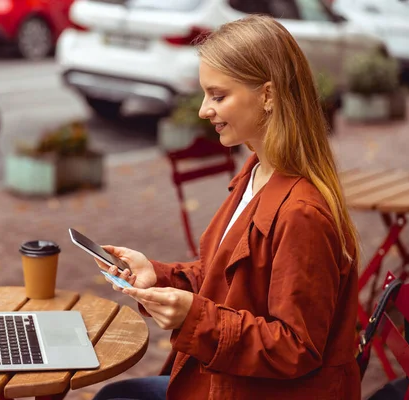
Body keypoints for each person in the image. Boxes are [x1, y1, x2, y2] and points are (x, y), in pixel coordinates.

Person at [93, 14, 361, 400]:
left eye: (218, 96)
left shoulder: (302, 213)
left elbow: (296, 349)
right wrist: (159, 276)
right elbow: (226, 281)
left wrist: (194, 319)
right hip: (225, 381)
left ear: (267, 95)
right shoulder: (255, 173)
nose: (204, 110)